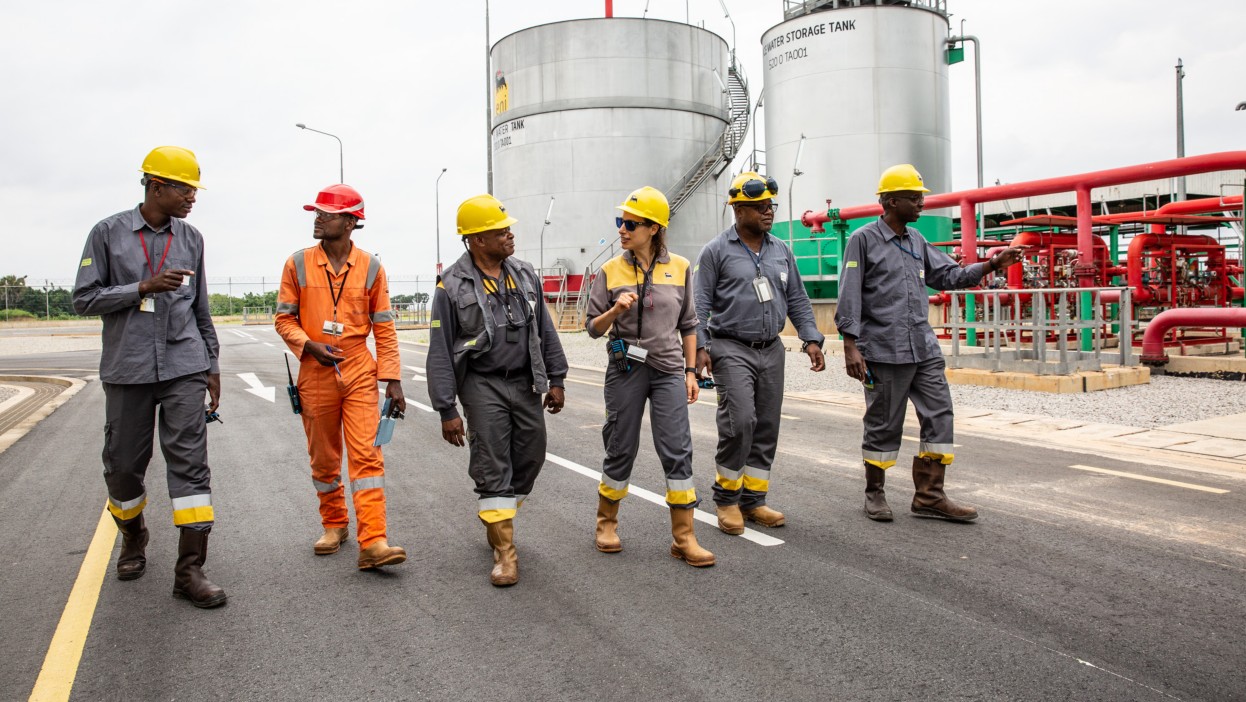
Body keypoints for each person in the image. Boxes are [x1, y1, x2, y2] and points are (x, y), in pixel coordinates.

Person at [72, 146, 226, 608]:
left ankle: (190, 571)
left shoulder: (192, 238)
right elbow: (83, 299)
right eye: (185, 188)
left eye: (194, 190)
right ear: (156, 186)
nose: (192, 198)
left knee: (191, 466)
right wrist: (141, 287)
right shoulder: (107, 234)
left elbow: (200, 307)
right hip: (128, 369)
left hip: (184, 367)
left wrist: (212, 365)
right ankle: (134, 537)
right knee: (122, 468)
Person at [835, 164, 1024, 522]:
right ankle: (874, 493)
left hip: (923, 348)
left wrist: (991, 264)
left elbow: (948, 275)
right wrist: (850, 343)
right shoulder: (863, 239)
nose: (922, 203)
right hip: (884, 350)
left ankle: (930, 495)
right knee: (883, 423)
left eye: (921, 196)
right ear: (890, 201)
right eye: (914, 197)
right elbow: (850, 294)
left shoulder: (916, 241)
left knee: (939, 416)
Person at [426, 194, 568, 587]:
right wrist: (446, 409)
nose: (509, 235)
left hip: (525, 381)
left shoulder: (523, 273)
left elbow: (544, 328)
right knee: (492, 463)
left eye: (508, 229)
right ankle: (505, 552)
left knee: (532, 455)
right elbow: (440, 350)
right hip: (481, 383)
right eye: (500, 231)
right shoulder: (450, 286)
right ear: (476, 239)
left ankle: (498, 513)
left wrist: (556, 379)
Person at [274, 184, 408, 570]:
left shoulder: (371, 267)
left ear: (351, 222)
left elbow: (383, 327)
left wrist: (392, 378)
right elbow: (283, 318)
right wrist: (308, 344)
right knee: (324, 456)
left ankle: (374, 541)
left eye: (326, 213)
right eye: (316, 212)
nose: (317, 218)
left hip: (357, 369)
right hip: (314, 369)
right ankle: (334, 524)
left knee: (368, 455)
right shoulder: (296, 264)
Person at [585, 187, 714, 567]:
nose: (622, 229)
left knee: (677, 447)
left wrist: (691, 372)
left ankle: (684, 538)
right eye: (619, 222)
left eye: (630, 223)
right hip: (626, 369)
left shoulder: (681, 267)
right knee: (621, 444)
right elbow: (592, 328)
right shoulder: (610, 271)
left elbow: (690, 324)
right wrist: (614, 311)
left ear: (654, 228)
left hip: (670, 369)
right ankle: (606, 525)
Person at [694, 172, 826, 535]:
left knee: (766, 425)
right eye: (760, 206)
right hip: (731, 346)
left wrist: (811, 338)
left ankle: (754, 500)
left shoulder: (781, 250)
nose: (768, 212)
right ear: (738, 209)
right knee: (741, 421)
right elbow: (699, 305)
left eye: (771, 205)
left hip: (771, 349)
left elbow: (797, 298)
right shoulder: (716, 251)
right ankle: (727, 498)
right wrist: (701, 347)